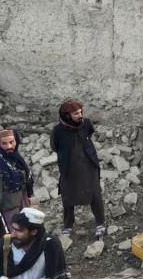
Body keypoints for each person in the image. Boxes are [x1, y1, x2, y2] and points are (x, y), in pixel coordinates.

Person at [50, 99, 106, 237]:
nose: (80, 115)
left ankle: (100, 222)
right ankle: (68, 225)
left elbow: (89, 133)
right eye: (76, 113)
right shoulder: (58, 131)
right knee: (68, 195)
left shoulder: (86, 124)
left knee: (95, 194)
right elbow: (55, 146)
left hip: (89, 166)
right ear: (67, 115)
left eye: (80, 112)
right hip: (69, 168)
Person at [0, 129, 34, 249]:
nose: (9, 146)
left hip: (21, 206)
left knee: (23, 240)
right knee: (4, 245)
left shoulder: (18, 161)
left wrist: (28, 200)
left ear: (16, 141)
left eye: (11, 142)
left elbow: (24, 185)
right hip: (4, 212)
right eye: (4, 143)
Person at [0, 207, 67, 279]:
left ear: (34, 232)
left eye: (19, 231)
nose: (13, 234)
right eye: (13, 229)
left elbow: (57, 275)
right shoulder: (6, 243)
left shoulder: (50, 245)